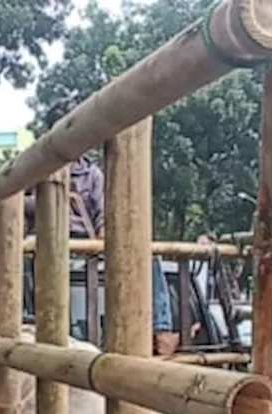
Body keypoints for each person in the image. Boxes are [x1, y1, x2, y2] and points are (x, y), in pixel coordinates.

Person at [22, 110, 179, 355]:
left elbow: (106, 215)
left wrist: (105, 234)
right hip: (45, 245)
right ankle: (34, 324)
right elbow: (14, 205)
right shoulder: (33, 166)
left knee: (149, 256)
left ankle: (160, 328)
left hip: (86, 246)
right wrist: (50, 202)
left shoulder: (92, 173)